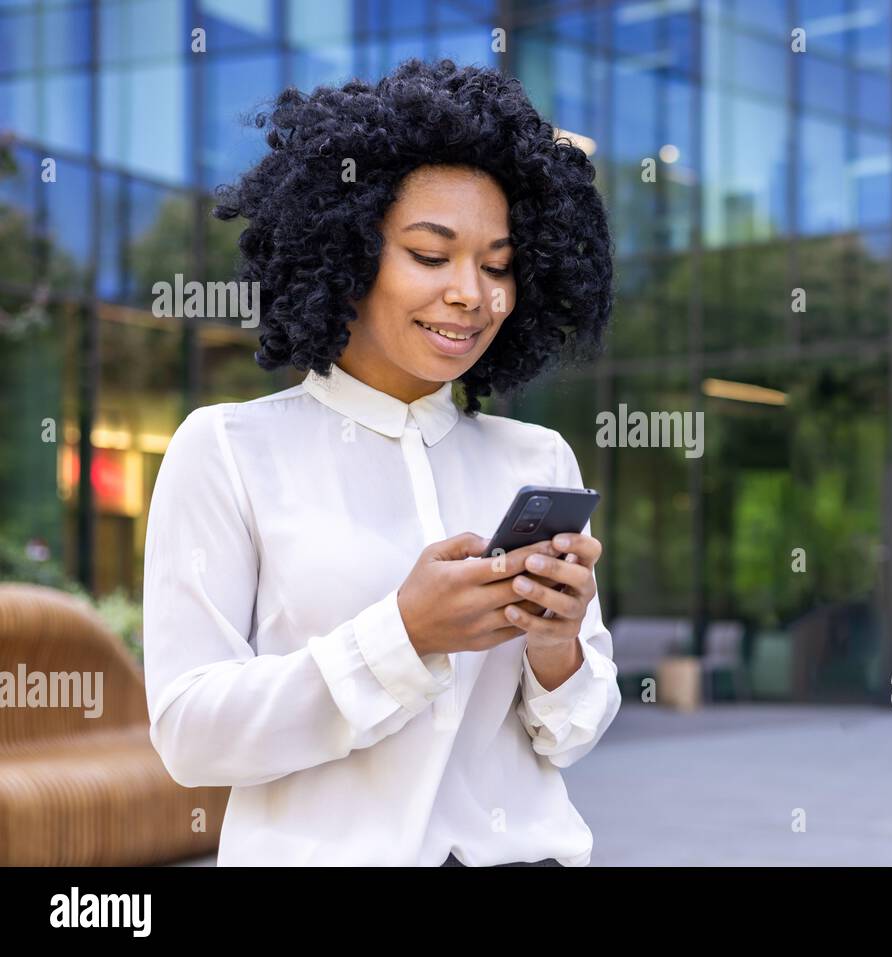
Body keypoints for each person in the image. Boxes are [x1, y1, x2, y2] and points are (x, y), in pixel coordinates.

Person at [142, 59, 619, 866]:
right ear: (348, 251)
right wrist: (402, 635)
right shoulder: (228, 449)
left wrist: (557, 644)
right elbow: (191, 734)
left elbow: (569, 735)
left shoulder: (535, 457)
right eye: (431, 255)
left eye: (498, 264)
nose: (473, 293)